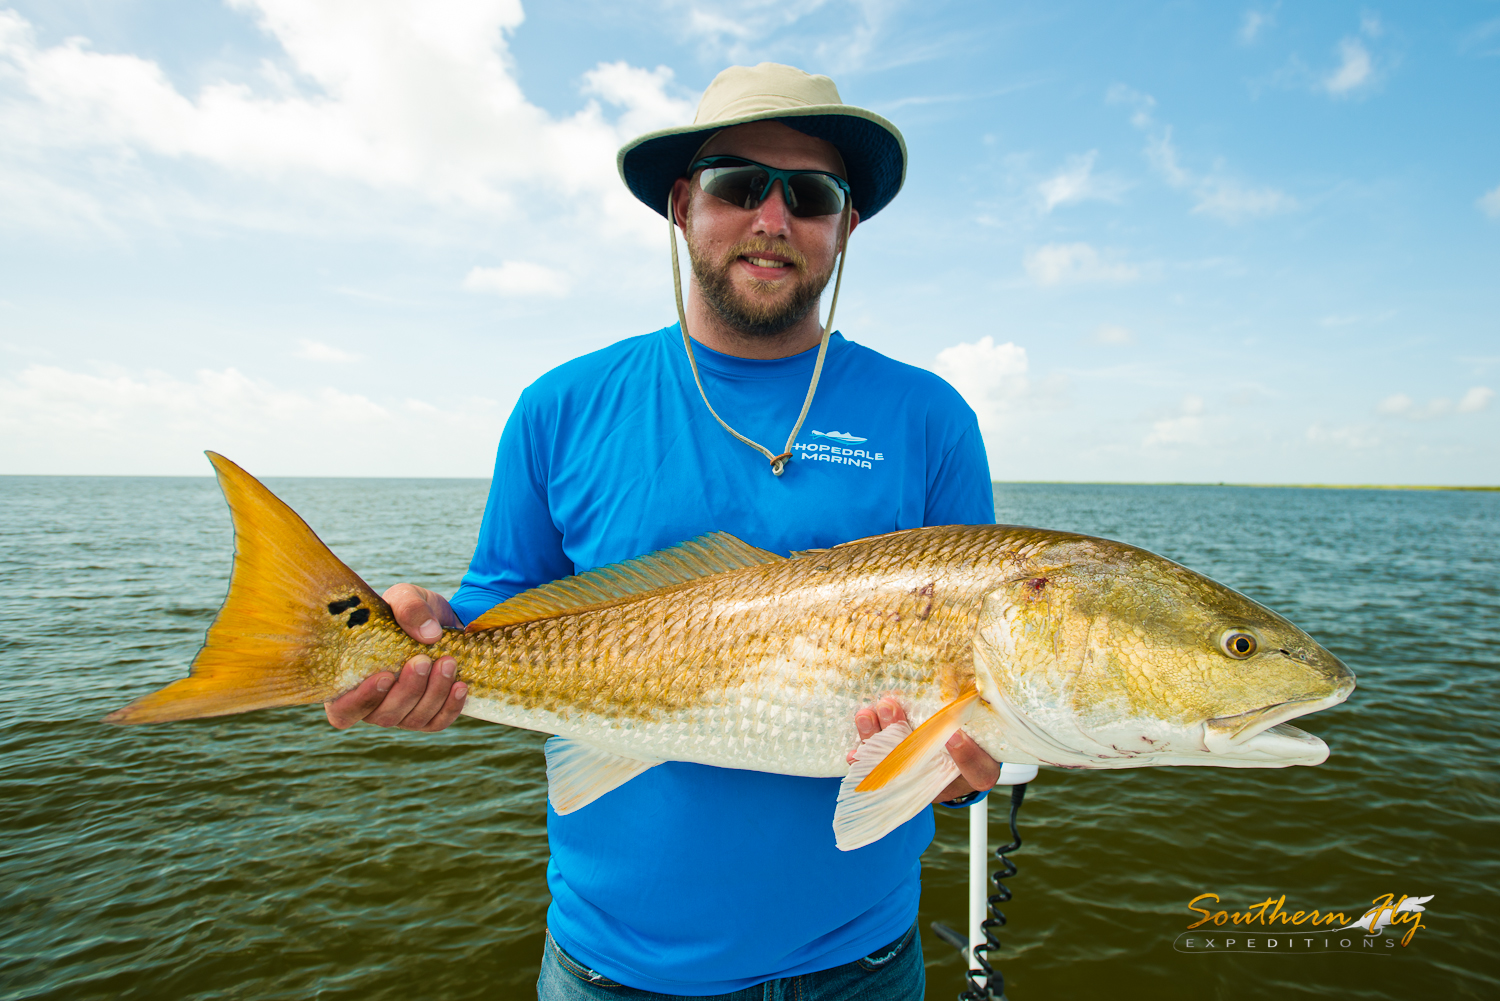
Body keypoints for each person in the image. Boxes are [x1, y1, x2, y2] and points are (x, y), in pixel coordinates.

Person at [324, 63, 1001, 999]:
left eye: (811, 195)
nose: (772, 219)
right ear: (684, 204)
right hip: (612, 969)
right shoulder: (558, 407)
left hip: (863, 966)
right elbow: (494, 611)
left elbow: (972, 687)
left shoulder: (930, 417)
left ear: (845, 225)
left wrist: (962, 767)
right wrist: (417, 633)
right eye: (737, 186)